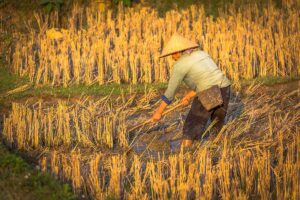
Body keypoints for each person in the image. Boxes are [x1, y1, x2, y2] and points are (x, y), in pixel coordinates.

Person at [151, 33, 231, 147]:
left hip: (208, 91)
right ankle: (220, 150)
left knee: (191, 127)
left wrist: (158, 112)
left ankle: (185, 155)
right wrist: (188, 97)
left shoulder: (179, 65)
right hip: (225, 89)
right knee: (217, 124)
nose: (172, 58)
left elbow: (170, 92)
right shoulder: (202, 54)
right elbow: (208, 80)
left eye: (172, 55)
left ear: (178, 52)